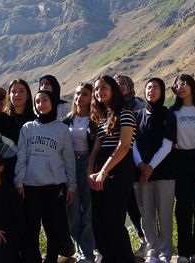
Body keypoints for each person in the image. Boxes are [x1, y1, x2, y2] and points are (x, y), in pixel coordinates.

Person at [15, 89, 76, 263]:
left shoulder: (62, 129)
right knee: (31, 228)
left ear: (52, 103)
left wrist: (72, 186)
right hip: (30, 186)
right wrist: (19, 182)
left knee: (53, 228)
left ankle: (51, 260)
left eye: (45, 100)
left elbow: (69, 160)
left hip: (54, 186)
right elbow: (22, 157)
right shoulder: (28, 128)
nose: (41, 104)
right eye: (38, 101)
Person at [87, 75, 136, 263]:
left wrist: (104, 171)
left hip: (119, 171)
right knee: (99, 223)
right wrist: (90, 172)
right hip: (100, 173)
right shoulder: (102, 118)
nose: (99, 92)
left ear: (113, 89)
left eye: (103, 87)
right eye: (97, 89)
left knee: (113, 222)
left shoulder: (126, 113)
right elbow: (96, 148)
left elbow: (123, 146)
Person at [133, 78, 177, 263]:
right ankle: (153, 251)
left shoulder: (168, 115)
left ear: (162, 91)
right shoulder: (137, 115)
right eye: (148, 87)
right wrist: (141, 165)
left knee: (165, 214)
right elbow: (132, 143)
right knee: (146, 215)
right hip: (141, 174)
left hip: (164, 173)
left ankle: (165, 253)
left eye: (156, 87)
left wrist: (149, 167)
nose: (151, 90)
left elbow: (167, 145)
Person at [169, 74, 195, 263]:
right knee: (183, 208)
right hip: (180, 160)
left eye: (184, 83)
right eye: (177, 85)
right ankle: (183, 252)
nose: (181, 87)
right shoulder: (173, 112)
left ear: (192, 85)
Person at [113, 74, 147, 256]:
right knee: (128, 204)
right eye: (116, 85)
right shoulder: (109, 109)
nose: (119, 88)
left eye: (122, 84)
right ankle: (137, 241)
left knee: (142, 205)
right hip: (119, 163)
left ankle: (149, 242)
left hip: (138, 160)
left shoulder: (140, 106)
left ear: (129, 86)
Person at [63, 82, 96, 263]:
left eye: (84, 94)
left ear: (91, 97)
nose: (79, 97)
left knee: (89, 210)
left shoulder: (95, 120)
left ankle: (87, 253)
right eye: (77, 94)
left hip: (88, 163)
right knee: (72, 209)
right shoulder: (68, 120)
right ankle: (79, 246)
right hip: (69, 164)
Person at [0, 79, 36, 185]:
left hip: (33, 176)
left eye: (21, 91)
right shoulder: (0, 120)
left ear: (28, 95)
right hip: (7, 176)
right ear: (9, 96)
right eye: (13, 91)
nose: (17, 94)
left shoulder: (36, 121)